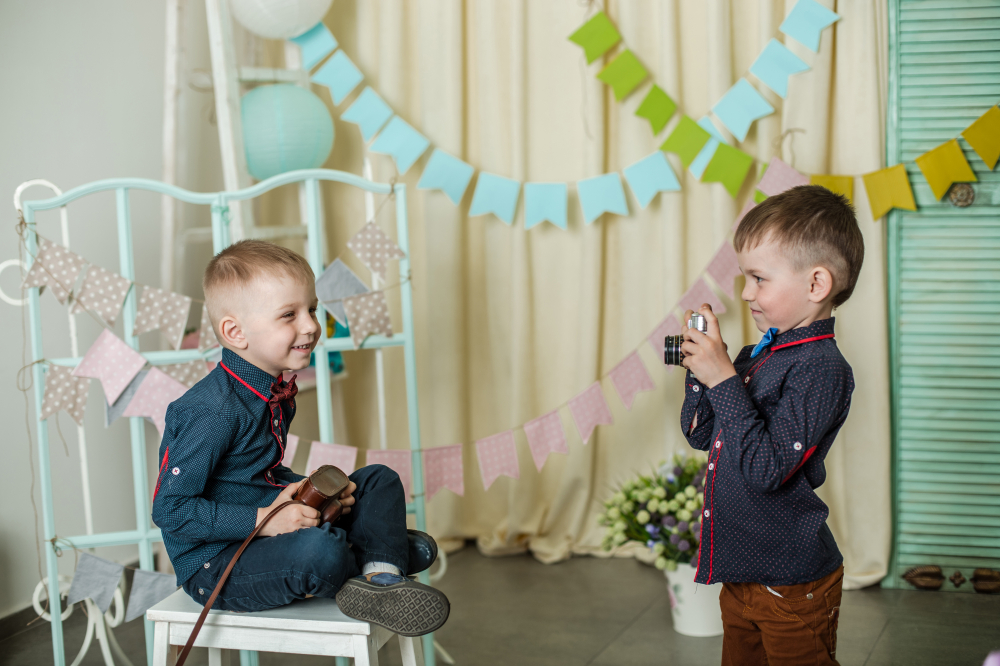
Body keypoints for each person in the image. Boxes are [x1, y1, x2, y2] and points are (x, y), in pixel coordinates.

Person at [151, 239, 448, 637]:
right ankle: (373, 552)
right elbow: (170, 510)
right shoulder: (212, 410)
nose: (310, 325)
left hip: (271, 530)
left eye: (311, 308)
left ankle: (379, 576)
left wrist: (306, 490)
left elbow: (258, 474)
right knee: (319, 551)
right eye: (289, 315)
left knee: (379, 478)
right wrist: (267, 521)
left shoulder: (272, 393)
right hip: (220, 566)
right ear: (235, 332)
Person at [678, 185, 863, 665]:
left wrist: (722, 377)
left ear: (816, 285)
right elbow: (700, 433)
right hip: (744, 573)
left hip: (792, 582)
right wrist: (702, 372)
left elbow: (767, 470)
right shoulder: (758, 356)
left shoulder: (822, 369)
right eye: (745, 277)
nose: (745, 293)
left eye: (759, 278)